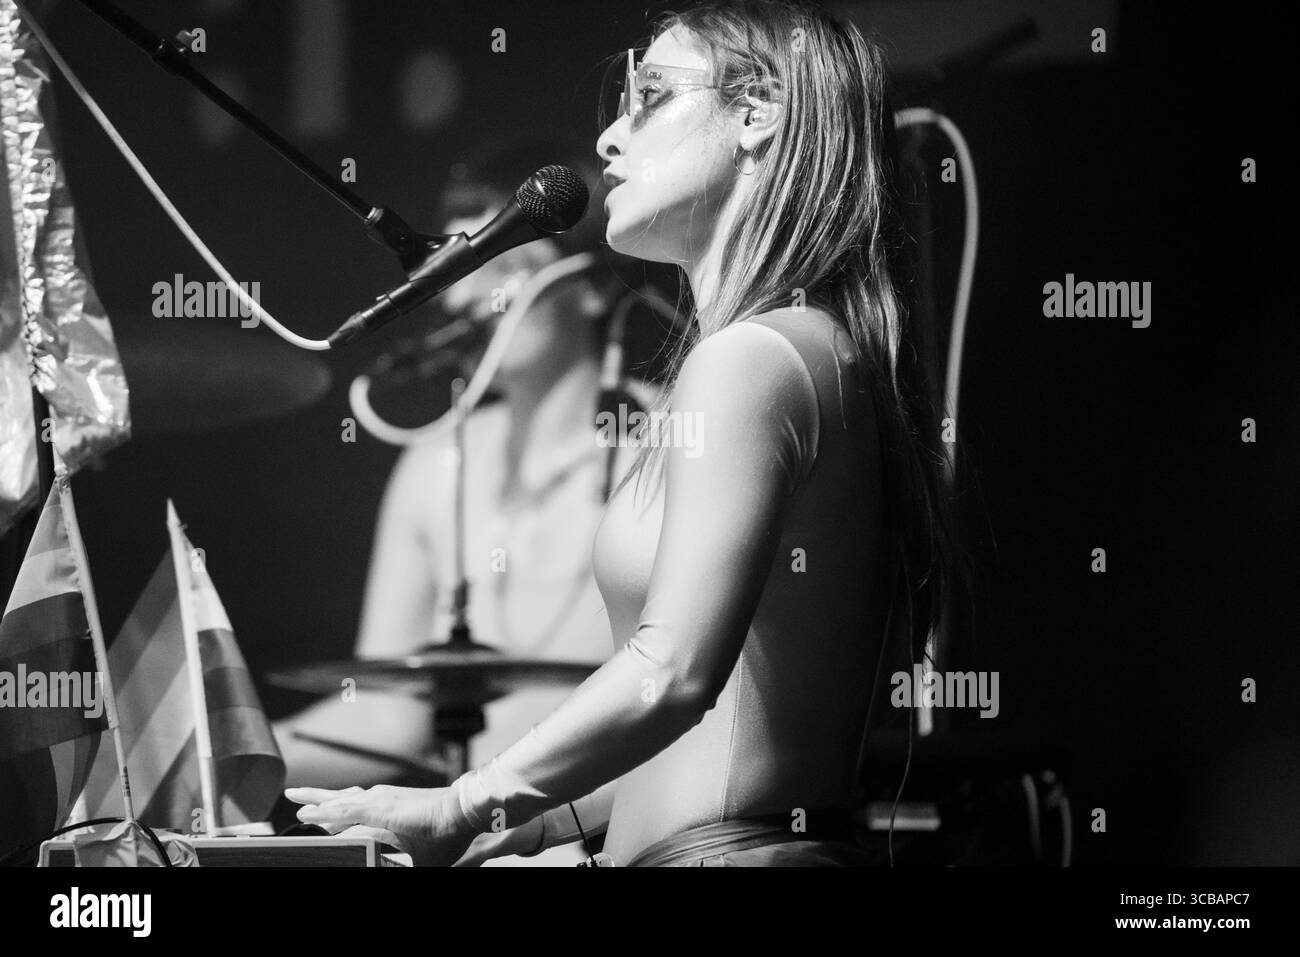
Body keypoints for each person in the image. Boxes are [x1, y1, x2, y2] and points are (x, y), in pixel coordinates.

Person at [288, 0, 966, 867]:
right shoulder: (793, 350)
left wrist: (464, 801)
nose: (610, 138)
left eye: (649, 97)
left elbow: (672, 672)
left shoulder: (752, 361)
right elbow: (689, 734)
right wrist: (497, 831)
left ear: (758, 111)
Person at [274, 138, 660, 865]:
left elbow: (687, 689)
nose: (469, 297)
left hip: (620, 842)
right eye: (463, 264)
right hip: (479, 845)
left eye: (506, 266)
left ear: (591, 284)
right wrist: (237, 748)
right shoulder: (434, 464)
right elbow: (391, 707)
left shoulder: (668, 440)